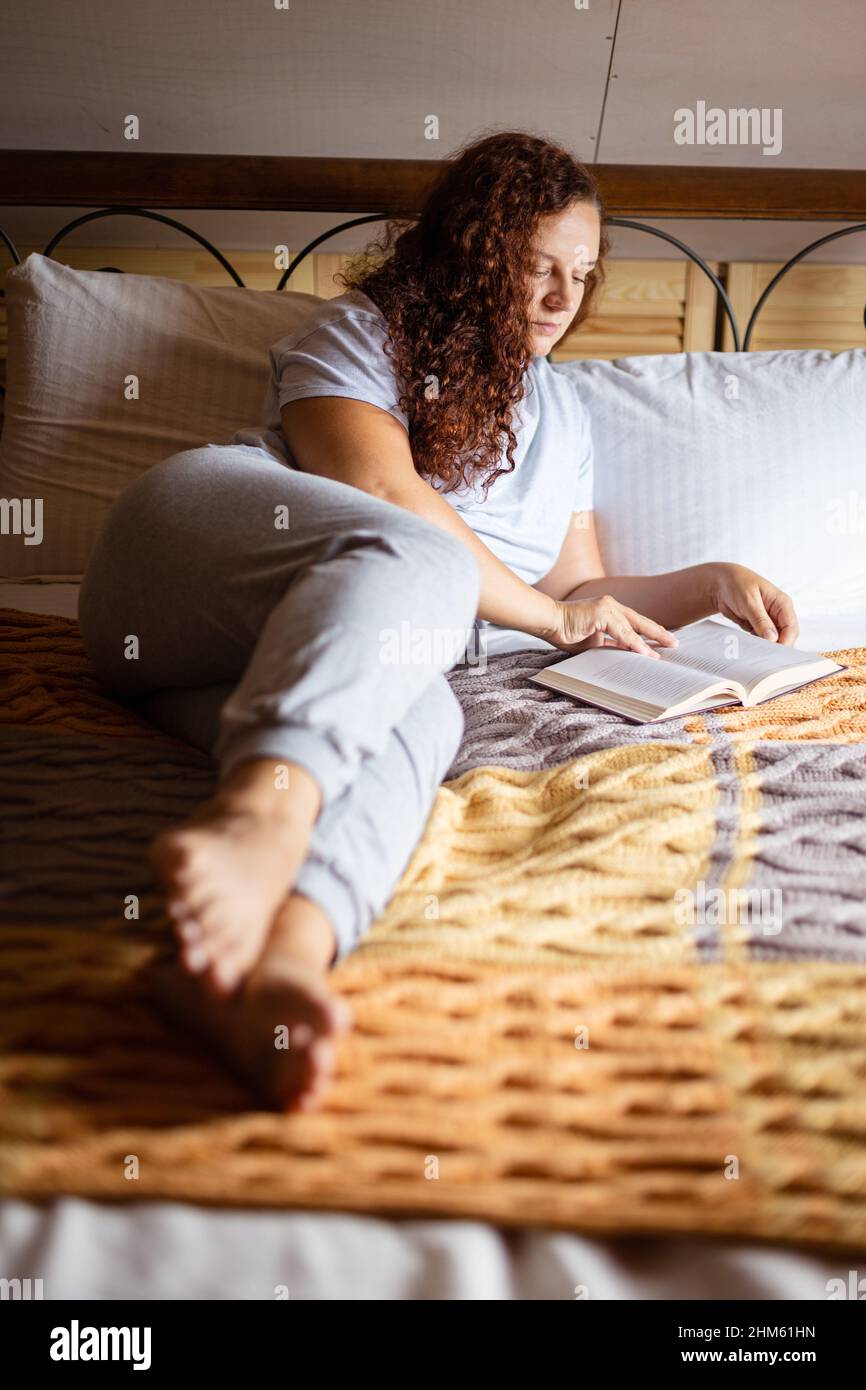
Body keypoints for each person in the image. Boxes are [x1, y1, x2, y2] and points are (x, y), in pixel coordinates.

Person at [78, 130, 798, 1110]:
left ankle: (270, 970)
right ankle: (258, 820)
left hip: (255, 665)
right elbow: (375, 486)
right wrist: (550, 615)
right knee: (416, 556)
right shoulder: (369, 330)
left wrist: (703, 581)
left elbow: (576, 594)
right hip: (180, 567)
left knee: (424, 717)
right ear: (473, 249)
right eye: (537, 266)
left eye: (580, 276)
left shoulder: (563, 413)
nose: (559, 299)